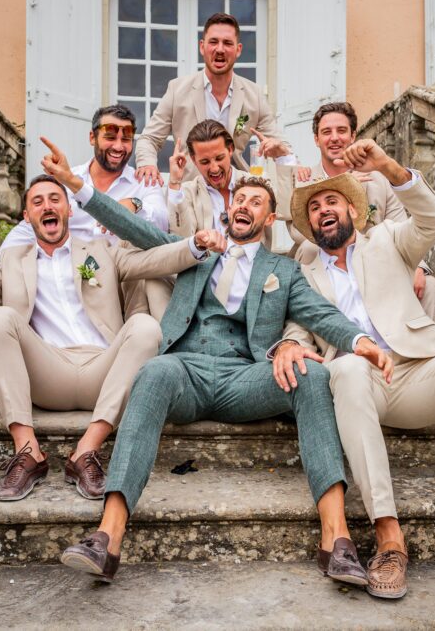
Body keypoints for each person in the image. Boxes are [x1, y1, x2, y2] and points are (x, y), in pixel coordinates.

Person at [38, 138, 393, 586]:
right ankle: (107, 538)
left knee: (312, 373)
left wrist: (360, 340)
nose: (245, 204)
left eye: (256, 201)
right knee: (152, 371)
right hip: (185, 371)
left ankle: (336, 540)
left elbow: (321, 315)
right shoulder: (198, 250)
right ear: (229, 212)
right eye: (239, 199)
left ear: (269, 218)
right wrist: (75, 184)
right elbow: (134, 228)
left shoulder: (282, 270)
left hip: (245, 378)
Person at [0, 175, 225, 501]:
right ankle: (29, 454)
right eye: (38, 201)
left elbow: (155, 260)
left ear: (69, 209)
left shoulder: (101, 251)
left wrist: (194, 244)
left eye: (55, 199)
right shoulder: (12, 260)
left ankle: (86, 451)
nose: (48, 206)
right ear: (27, 215)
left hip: (102, 371)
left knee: (146, 327)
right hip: (47, 371)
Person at [278, 139, 435, 600]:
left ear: (352, 209)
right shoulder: (305, 272)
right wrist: (288, 346)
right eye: (314, 208)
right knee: (345, 368)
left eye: (332, 201)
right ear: (310, 225)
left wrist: (390, 168)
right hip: (361, 386)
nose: (323, 210)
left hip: (419, 373)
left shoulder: (388, 239)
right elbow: (296, 328)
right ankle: (389, 538)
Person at [0, 105, 168, 420]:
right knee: (11, 279)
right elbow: (26, 230)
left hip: (120, 281)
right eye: (110, 134)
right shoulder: (66, 178)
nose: (119, 145)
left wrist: (135, 202)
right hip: (67, 272)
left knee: (145, 276)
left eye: (127, 137)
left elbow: (160, 222)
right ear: (92, 136)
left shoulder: (143, 182)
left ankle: (159, 369)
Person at [295, 102, 435, 323]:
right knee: (307, 249)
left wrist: (418, 266)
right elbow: (299, 233)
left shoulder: (378, 180)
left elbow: (403, 225)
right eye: (326, 132)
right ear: (317, 139)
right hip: (331, 263)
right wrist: (338, 189)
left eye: (341, 131)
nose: (334, 138)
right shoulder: (306, 180)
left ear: (353, 136)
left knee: (428, 284)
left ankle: (426, 352)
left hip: (379, 264)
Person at [134, 12, 295, 184]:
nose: (220, 49)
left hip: (237, 194)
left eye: (227, 43)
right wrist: (147, 164)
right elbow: (149, 139)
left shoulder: (253, 94)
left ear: (238, 49)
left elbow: (283, 146)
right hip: (190, 191)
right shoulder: (177, 89)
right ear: (202, 47)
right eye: (213, 42)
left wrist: (280, 151)